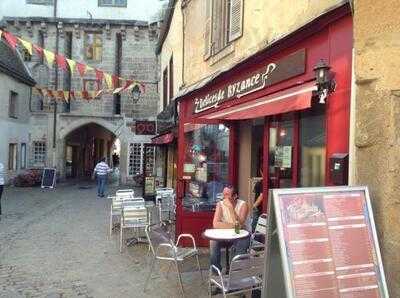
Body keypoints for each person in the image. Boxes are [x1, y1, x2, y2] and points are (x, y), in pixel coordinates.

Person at [210, 186, 249, 272]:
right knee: (213, 242)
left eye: (227, 195)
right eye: (223, 194)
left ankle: (235, 272)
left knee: (242, 243)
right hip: (225, 235)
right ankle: (216, 272)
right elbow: (215, 224)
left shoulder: (243, 205)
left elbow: (240, 227)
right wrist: (234, 225)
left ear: (235, 196)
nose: (224, 197)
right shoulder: (220, 204)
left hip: (241, 235)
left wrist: (231, 209)